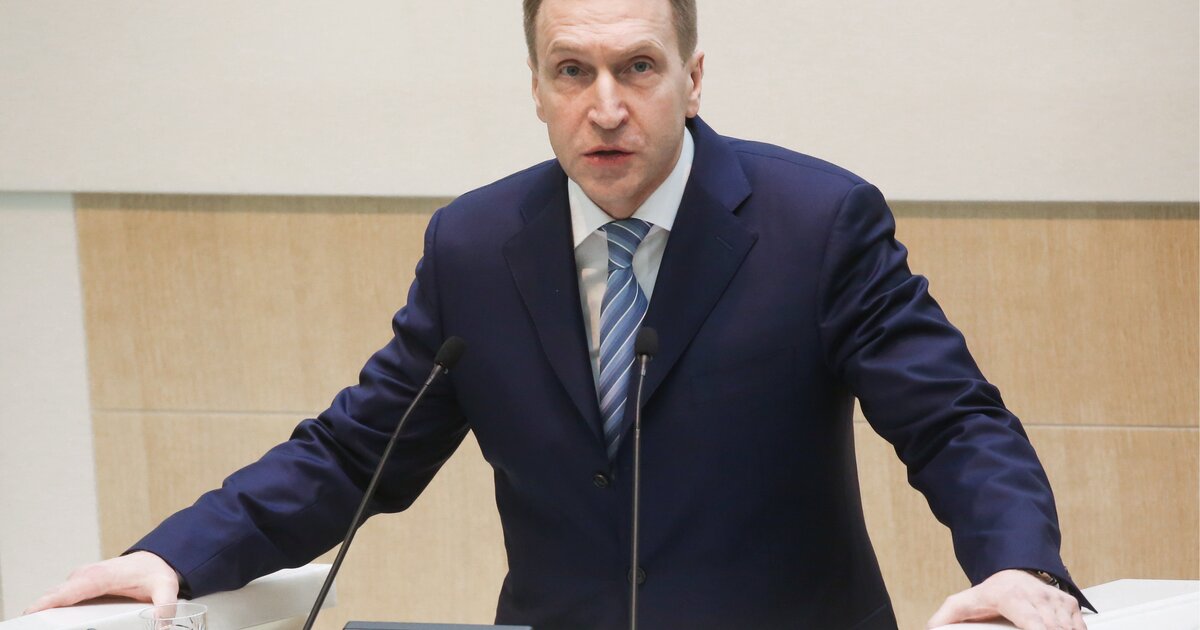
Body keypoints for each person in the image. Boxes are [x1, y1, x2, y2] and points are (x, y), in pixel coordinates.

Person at [27, 1, 1092, 628]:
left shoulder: (817, 223)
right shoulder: (476, 245)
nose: (606, 106)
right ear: (536, 89)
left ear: (693, 79)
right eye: (572, 72)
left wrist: (1019, 565)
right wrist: (175, 556)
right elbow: (357, 451)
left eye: (638, 68)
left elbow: (952, 421)